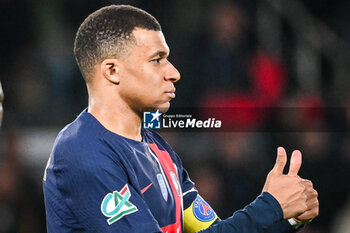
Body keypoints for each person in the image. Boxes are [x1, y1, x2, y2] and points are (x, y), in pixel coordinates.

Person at [43, 5, 318, 233]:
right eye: (157, 59)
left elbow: (213, 230)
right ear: (112, 70)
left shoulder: (158, 149)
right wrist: (269, 207)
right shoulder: (82, 151)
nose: (173, 72)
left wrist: (286, 217)